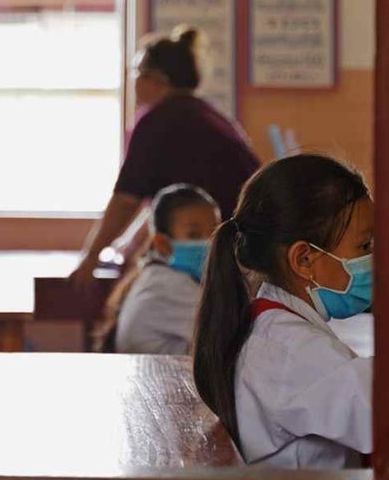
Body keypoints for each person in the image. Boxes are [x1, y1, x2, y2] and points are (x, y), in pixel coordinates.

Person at [193, 154, 373, 469]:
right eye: (364, 246)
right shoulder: (296, 352)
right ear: (304, 260)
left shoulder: (270, 324)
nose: (374, 257)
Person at [71, 25, 260, 290]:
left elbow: (126, 199)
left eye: (137, 72)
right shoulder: (206, 115)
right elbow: (158, 203)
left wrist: (91, 257)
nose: (133, 80)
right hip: (250, 254)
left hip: (222, 256)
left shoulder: (158, 121)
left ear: (157, 79)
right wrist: (123, 247)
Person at [114, 184, 221, 355]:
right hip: (154, 380)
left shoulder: (158, 275)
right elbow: (228, 336)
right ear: (163, 244)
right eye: (193, 234)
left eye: (214, 233)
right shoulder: (168, 286)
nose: (208, 243)